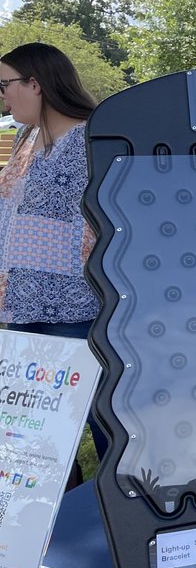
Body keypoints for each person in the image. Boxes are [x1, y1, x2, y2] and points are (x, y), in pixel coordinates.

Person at [0, 42, 105, 466]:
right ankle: (46, 505)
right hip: (22, 303)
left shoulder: (91, 140)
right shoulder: (26, 138)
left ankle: (127, 498)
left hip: (75, 305)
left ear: (36, 84)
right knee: (33, 423)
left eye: (5, 85)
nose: (3, 96)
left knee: (100, 412)